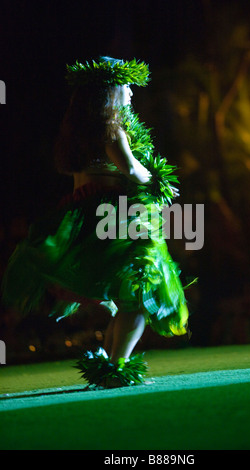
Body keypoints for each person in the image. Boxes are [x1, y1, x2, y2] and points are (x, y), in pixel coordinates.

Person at [2, 56, 189, 388]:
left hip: (83, 215)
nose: (131, 92)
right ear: (111, 93)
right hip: (113, 214)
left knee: (124, 300)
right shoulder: (111, 126)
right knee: (138, 296)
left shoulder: (79, 130)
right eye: (126, 86)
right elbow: (130, 169)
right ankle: (118, 368)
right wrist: (157, 179)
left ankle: (109, 364)